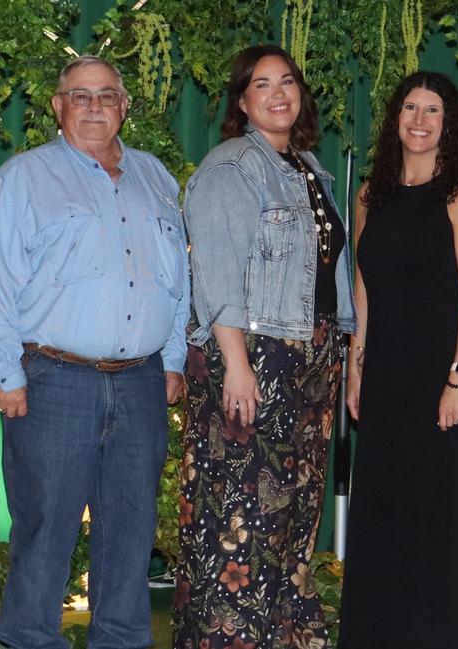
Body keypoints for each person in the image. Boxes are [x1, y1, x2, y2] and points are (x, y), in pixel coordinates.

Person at [0, 55, 188, 649]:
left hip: (142, 382)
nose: (95, 107)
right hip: (52, 382)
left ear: (125, 106)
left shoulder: (156, 179)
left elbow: (177, 283)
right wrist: (4, 372)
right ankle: (29, 639)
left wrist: (171, 361)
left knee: (131, 530)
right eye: (80, 96)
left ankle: (120, 639)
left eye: (107, 96)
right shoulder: (21, 178)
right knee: (45, 533)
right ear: (56, 106)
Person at [174, 44, 354, 649]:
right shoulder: (230, 167)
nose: (278, 93)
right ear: (243, 101)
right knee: (240, 516)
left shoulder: (308, 167)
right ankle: (230, 637)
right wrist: (237, 367)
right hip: (256, 357)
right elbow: (218, 278)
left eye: (287, 82)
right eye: (261, 84)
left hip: (310, 359)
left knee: (294, 512)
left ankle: (283, 633)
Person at [338, 71, 458, 649]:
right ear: (396, 119)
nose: (420, 120)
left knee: (438, 515)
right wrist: (357, 366)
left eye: (433, 111)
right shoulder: (369, 195)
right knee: (383, 510)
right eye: (410, 107)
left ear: (448, 123)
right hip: (383, 376)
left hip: (439, 374)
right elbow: (363, 282)